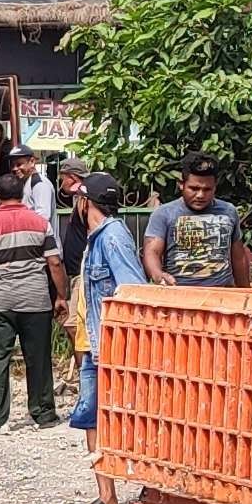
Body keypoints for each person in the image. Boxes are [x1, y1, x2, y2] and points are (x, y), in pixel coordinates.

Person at [0, 167, 67, 431]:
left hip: (1, 304)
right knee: (39, 358)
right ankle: (44, 414)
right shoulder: (40, 224)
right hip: (36, 302)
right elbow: (54, 262)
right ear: (22, 194)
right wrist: (62, 297)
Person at [61, 170, 148, 448]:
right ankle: (106, 493)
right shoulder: (96, 238)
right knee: (90, 418)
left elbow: (133, 290)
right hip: (93, 344)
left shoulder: (112, 238)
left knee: (116, 417)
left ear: (85, 203)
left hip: (109, 347)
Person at [143, 157, 246, 288]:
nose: (200, 195)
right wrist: (158, 275)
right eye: (194, 188)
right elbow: (152, 252)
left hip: (222, 296)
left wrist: (247, 293)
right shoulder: (163, 214)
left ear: (215, 187)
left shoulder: (228, 211)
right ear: (181, 184)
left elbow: (238, 257)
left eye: (207, 189)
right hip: (180, 296)